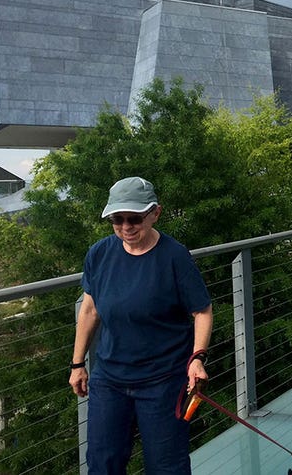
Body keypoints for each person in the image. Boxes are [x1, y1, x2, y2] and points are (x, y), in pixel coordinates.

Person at [69, 177, 213, 475]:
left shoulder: (175, 256)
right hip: (110, 379)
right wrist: (77, 363)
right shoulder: (99, 253)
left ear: (155, 213)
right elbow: (90, 309)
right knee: (102, 463)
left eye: (134, 219)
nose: (125, 227)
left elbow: (202, 310)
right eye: (116, 219)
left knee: (166, 466)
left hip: (163, 380)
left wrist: (197, 358)